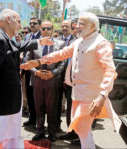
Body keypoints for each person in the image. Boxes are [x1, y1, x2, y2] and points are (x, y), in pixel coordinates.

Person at [20, 12, 122, 149]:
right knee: (82, 130)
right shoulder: (80, 41)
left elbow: (110, 71)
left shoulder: (100, 43)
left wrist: (102, 95)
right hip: (77, 93)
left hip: (90, 96)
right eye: (77, 23)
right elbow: (61, 54)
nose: (77, 26)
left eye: (81, 24)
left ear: (92, 26)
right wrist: (38, 61)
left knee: (82, 128)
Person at [0, 9, 52, 148]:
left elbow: (16, 46)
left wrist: (38, 42)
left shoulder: (4, 37)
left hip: (7, 102)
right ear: (8, 20)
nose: (20, 25)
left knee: (7, 139)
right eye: (18, 21)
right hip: (2, 104)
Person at [25, 21, 66, 142]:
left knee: (52, 108)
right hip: (37, 80)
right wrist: (36, 72)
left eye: (49, 28)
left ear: (53, 29)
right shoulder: (34, 44)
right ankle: (40, 131)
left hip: (52, 81)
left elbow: (63, 62)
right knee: (39, 107)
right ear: (41, 30)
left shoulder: (61, 43)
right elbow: (27, 61)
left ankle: (52, 132)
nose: (46, 30)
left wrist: (53, 73)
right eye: (44, 28)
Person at [57, 20, 78, 140]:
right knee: (69, 107)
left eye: (77, 28)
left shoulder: (86, 42)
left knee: (78, 110)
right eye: (74, 28)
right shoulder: (75, 43)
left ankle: (78, 134)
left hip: (80, 83)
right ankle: (71, 132)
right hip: (67, 80)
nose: (76, 30)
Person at [23, 17, 42, 127]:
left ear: (39, 25)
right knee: (29, 95)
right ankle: (32, 118)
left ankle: (39, 122)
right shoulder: (26, 37)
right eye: (30, 23)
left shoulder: (42, 37)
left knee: (38, 97)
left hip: (37, 70)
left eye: (34, 23)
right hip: (27, 70)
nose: (32, 25)